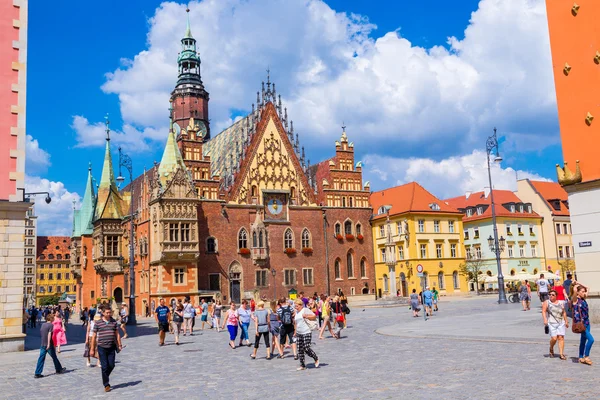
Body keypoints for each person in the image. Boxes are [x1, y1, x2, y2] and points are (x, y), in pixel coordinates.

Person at [90, 306, 122, 392]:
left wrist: (119, 344)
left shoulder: (113, 322)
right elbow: (94, 336)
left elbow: (117, 334)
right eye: (107, 313)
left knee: (111, 365)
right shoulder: (98, 323)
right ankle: (106, 384)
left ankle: (105, 376)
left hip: (111, 347)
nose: (109, 314)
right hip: (101, 347)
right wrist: (92, 349)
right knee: (104, 366)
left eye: (110, 312)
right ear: (103, 313)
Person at [34, 313, 67, 378]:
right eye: (53, 318)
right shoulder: (51, 325)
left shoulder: (43, 325)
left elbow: (42, 333)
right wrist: (49, 344)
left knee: (41, 358)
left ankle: (37, 373)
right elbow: (49, 334)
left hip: (43, 344)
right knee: (54, 357)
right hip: (49, 345)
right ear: (51, 319)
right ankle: (59, 369)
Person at [293, 299, 319, 371]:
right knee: (300, 349)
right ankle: (302, 365)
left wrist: (306, 316)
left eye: (297, 306)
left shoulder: (305, 310)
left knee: (306, 347)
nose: (296, 307)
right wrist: (295, 332)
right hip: (299, 333)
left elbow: (314, 316)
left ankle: (315, 358)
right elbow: (296, 323)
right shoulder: (296, 312)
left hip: (306, 331)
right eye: (295, 306)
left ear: (301, 305)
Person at [542, 289, 568, 360]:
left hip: (561, 322)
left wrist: (566, 321)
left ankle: (561, 354)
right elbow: (544, 311)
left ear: (556, 296)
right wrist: (545, 319)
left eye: (552, 295)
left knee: (561, 338)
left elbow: (564, 312)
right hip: (552, 323)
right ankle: (551, 348)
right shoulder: (547, 302)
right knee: (554, 338)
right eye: (549, 295)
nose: (551, 296)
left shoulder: (560, 303)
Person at [572, 282, 594, 365]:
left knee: (583, 341)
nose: (584, 293)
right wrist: (575, 287)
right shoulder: (575, 300)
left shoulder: (583, 298)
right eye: (582, 291)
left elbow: (588, 288)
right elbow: (574, 291)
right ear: (577, 292)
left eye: (584, 291)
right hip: (581, 324)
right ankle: (586, 356)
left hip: (587, 322)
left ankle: (580, 357)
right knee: (591, 340)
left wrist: (579, 283)